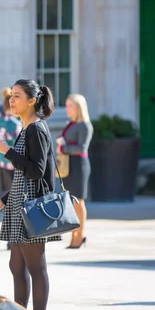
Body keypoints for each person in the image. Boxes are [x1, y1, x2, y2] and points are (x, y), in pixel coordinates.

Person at [0, 79, 60, 310]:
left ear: (32, 101)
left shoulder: (37, 128)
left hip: (32, 208)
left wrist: (6, 150)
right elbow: (22, 174)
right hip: (18, 204)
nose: (12, 100)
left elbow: (36, 171)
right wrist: (3, 201)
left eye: (17, 96)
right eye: (11, 95)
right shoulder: (27, 128)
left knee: (36, 268)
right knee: (16, 266)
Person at [56, 94, 93, 249]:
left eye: (70, 105)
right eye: (67, 105)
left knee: (80, 201)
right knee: (71, 201)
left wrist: (63, 148)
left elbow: (82, 148)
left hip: (79, 165)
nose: (67, 108)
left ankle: (80, 235)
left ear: (79, 107)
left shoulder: (85, 125)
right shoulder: (70, 124)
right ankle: (74, 235)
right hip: (68, 165)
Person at [0, 88, 22, 193]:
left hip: (2, 158)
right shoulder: (15, 123)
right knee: (18, 192)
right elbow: (20, 142)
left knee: (8, 191)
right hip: (15, 160)